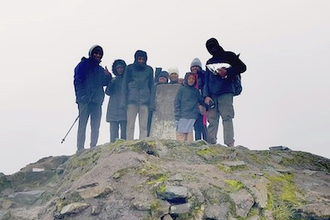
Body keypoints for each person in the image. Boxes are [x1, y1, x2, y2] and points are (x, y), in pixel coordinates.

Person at [203, 38, 247, 147]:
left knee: (226, 117)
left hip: (226, 91)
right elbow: (206, 80)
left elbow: (242, 67)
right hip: (212, 94)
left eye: (213, 46)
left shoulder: (230, 56)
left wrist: (227, 72)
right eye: (209, 47)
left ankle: (229, 143)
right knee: (212, 119)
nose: (212, 49)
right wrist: (206, 95)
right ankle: (211, 143)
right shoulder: (209, 62)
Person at [73, 45, 111, 152]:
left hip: (97, 101)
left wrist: (108, 76)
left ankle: (93, 146)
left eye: (99, 54)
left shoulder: (100, 69)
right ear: (91, 53)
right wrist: (81, 96)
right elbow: (77, 82)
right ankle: (80, 148)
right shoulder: (82, 65)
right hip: (84, 101)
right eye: (96, 53)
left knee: (95, 126)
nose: (97, 55)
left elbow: (103, 83)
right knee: (82, 124)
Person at [120, 50, 155, 140]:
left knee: (143, 126)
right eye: (139, 58)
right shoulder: (129, 68)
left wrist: (151, 104)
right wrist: (123, 102)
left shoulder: (149, 70)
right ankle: (129, 144)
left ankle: (142, 142)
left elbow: (151, 86)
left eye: (142, 59)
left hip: (145, 101)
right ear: (135, 59)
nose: (141, 61)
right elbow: (124, 85)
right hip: (131, 100)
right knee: (130, 125)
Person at [174, 72, 204, 141]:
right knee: (180, 138)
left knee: (189, 139)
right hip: (182, 117)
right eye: (189, 78)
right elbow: (177, 103)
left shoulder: (196, 91)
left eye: (193, 79)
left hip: (192, 117)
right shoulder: (182, 89)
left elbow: (201, 101)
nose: (191, 80)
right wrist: (177, 117)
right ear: (186, 79)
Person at [105, 59, 127, 143]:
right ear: (115, 69)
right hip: (113, 108)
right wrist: (111, 81)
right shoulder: (113, 80)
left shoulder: (127, 81)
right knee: (113, 136)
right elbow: (107, 92)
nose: (120, 70)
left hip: (123, 108)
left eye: (121, 68)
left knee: (124, 135)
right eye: (118, 68)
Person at [186, 58, 207, 141]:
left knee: (203, 123)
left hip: (202, 103)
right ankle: (198, 141)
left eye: (196, 66)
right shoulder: (189, 77)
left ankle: (206, 140)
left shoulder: (204, 76)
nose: (194, 68)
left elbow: (206, 87)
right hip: (194, 104)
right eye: (193, 66)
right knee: (196, 124)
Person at [147, 70, 168, 136]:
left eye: (164, 77)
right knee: (149, 125)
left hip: (164, 110)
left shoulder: (169, 88)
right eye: (161, 77)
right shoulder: (154, 86)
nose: (162, 78)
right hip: (151, 108)